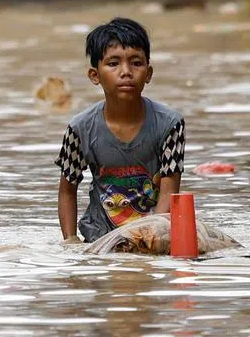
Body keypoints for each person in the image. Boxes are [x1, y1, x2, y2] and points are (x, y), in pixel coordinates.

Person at [55, 18, 186, 244]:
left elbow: (169, 192)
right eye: (113, 63)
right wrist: (70, 240)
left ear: (149, 73)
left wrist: (152, 235)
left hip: (154, 232)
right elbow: (68, 190)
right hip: (99, 236)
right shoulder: (79, 128)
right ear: (95, 75)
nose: (126, 72)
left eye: (136, 63)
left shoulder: (170, 124)